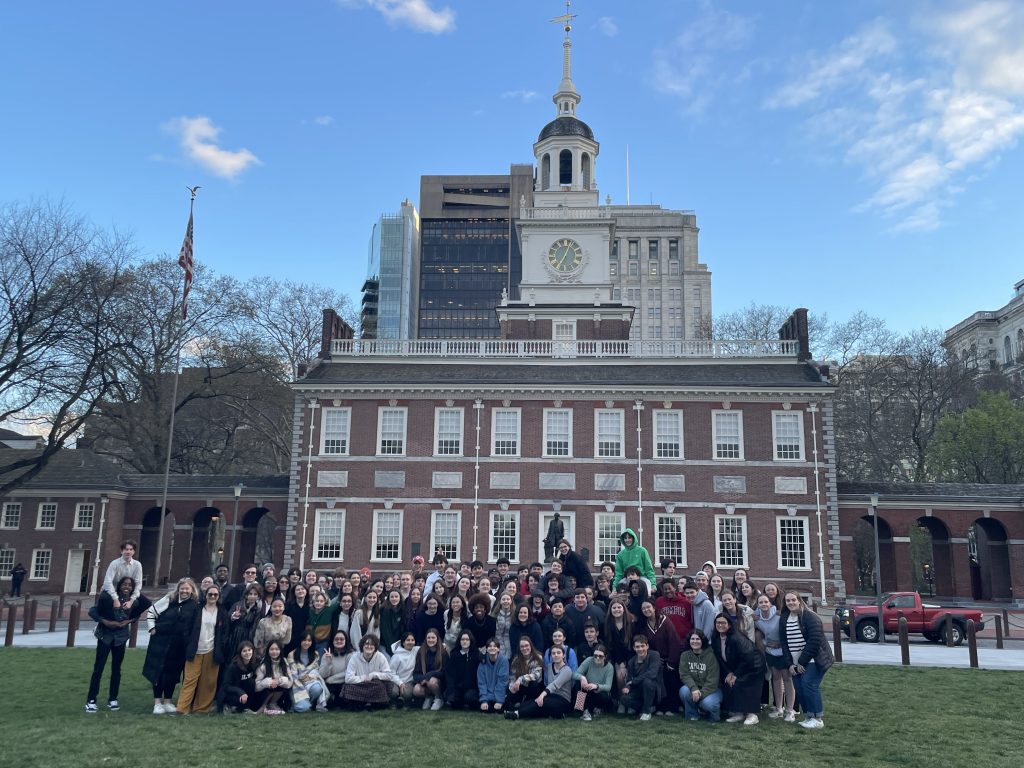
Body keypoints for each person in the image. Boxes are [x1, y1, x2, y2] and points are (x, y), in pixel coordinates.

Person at [85, 576, 152, 712]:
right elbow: (93, 611)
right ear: (119, 585)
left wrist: (130, 620)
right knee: (99, 668)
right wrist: (105, 621)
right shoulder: (108, 597)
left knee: (117, 669)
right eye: (124, 584)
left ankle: (113, 698)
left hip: (120, 638)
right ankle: (91, 700)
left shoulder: (134, 601)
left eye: (129, 585)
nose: (126, 587)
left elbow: (145, 605)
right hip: (105, 636)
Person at [143, 577, 199, 715]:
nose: (184, 591)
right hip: (161, 642)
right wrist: (152, 628)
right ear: (178, 589)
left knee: (173, 673)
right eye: (182, 588)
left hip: (179, 646)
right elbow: (151, 612)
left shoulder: (194, 606)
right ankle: (157, 702)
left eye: (187, 588)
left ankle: (168, 701)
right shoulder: (169, 599)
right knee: (159, 671)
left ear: (192, 590)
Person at [781, 590, 834, 729]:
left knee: (809, 684)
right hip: (794, 662)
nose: (791, 603)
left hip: (813, 660)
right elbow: (784, 643)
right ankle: (808, 716)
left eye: (793, 600)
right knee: (799, 687)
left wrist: (801, 662)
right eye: (788, 601)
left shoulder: (810, 616)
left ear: (799, 600)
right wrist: (790, 664)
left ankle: (817, 718)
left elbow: (814, 641)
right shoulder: (785, 617)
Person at [177, 582, 229, 714]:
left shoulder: (222, 612)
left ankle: (201, 708)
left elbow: (225, 632)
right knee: (190, 680)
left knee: (209, 681)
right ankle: (182, 708)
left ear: (219, 596)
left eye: (215, 594)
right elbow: (187, 629)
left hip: (212, 650)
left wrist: (221, 647)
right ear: (205, 595)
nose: (212, 596)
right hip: (195, 650)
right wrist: (188, 643)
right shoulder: (197, 609)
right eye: (210, 594)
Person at [712, 613, 765, 726]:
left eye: (723, 623)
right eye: (718, 623)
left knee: (747, 687)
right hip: (737, 666)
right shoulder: (715, 638)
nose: (720, 625)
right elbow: (720, 658)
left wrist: (735, 674)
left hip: (754, 666)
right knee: (733, 684)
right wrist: (729, 673)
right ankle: (739, 713)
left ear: (729, 625)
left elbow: (748, 657)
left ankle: (752, 715)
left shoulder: (736, 638)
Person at [634, 597, 681, 714]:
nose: (646, 610)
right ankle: (660, 707)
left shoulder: (665, 621)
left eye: (648, 607)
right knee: (659, 685)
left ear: (654, 608)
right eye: (643, 608)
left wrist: (671, 661)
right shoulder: (644, 625)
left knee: (670, 684)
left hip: (668, 660)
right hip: (655, 661)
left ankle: (671, 708)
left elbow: (674, 641)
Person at [753, 593, 796, 721]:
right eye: (761, 603)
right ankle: (779, 708)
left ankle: (790, 710)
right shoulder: (757, 618)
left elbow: (787, 632)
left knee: (787, 678)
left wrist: (780, 643)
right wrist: (765, 644)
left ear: (770, 603)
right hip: (770, 651)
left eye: (766, 602)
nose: (763, 604)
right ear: (758, 605)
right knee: (776, 679)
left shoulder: (779, 615)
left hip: (783, 651)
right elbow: (759, 634)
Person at [508, 645, 573, 720]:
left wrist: (541, 696)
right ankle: (555, 714)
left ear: (563, 655)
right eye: (553, 653)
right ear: (551, 655)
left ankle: (516, 714)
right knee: (531, 703)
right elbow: (545, 682)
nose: (556, 655)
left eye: (558, 653)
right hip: (550, 696)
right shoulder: (548, 667)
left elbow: (554, 685)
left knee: (540, 703)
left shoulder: (567, 670)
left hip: (563, 699)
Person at [344, 634, 399, 709]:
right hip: (360, 684)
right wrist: (363, 678)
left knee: (381, 686)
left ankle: (375, 704)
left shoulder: (381, 657)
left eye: (372, 644)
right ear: (362, 645)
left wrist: (374, 675)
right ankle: (362, 704)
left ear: (375, 646)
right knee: (348, 687)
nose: (369, 646)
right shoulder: (354, 657)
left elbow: (389, 675)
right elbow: (348, 678)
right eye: (367, 644)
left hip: (375, 684)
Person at [677, 629, 721, 722]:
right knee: (684, 691)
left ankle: (714, 717)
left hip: (712, 690)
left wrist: (700, 695)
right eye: (692, 639)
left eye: (698, 639)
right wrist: (694, 688)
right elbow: (684, 674)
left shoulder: (711, 656)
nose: (695, 641)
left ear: (702, 640)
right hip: (695, 689)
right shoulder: (685, 655)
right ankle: (692, 715)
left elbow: (713, 680)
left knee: (708, 703)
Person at [621, 634, 664, 721]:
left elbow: (652, 674)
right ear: (634, 648)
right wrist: (627, 687)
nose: (640, 649)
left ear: (647, 646)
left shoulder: (654, 655)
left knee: (647, 681)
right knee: (624, 699)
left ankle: (646, 712)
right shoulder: (631, 661)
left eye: (642, 646)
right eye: (637, 647)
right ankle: (647, 708)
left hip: (653, 689)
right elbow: (629, 679)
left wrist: (633, 682)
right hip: (638, 690)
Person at [288, 631, 327, 712]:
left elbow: (316, 671)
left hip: (310, 681)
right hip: (297, 684)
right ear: (300, 641)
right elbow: (293, 674)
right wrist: (302, 679)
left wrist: (309, 676)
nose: (306, 643)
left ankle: (309, 703)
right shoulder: (292, 654)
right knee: (302, 708)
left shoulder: (315, 654)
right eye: (304, 640)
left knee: (318, 688)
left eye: (309, 641)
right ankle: (299, 703)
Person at [573, 643, 613, 721]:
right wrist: (582, 677)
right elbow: (575, 674)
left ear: (605, 657)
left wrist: (596, 686)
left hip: (598, 692)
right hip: (587, 689)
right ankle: (585, 710)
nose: (597, 658)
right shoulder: (589, 660)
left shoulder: (609, 667)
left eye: (600, 656)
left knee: (605, 696)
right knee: (579, 684)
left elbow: (608, 687)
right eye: (595, 655)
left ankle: (594, 708)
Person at [218, 641, 259, 713]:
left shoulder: (254, 663)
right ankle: (228, 706)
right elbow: (226, 686)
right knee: (239, 700)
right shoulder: (233, 667)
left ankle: (242, 708)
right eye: (244, 651)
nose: (247, 653)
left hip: (246, 692)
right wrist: (240, 692)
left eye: (249, 650)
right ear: (240, 653)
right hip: (232, 693)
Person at [412, 627, 448, 710]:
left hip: (438, 683)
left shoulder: (443, 652)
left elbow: (444, 672)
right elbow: (416, 673)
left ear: (437, 639)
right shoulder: (421, 651)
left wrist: (429, 675)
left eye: (433, 638)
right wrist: (422, 679)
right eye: (428, 638)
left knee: (431, 681)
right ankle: (429, 698)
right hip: (425, 681)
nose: (430, 640)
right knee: (416, 690)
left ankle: (439, 698)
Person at [505, 637, 544, 713]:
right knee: (506, 704)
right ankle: (518, 704)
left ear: (531, 646)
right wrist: (512, 687)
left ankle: (525, 704)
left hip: (533, 687)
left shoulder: (538, 657)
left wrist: (520, 679)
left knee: (534, 685)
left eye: (527, 645)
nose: (524, 648)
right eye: (522, 647)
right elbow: (512, 676)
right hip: (520, 687)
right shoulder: (516, 659)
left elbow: (536, 675)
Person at [101, 540, 144, 609]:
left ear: (134, 552)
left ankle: (131, 619)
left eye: (131, 549)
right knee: (104, 599)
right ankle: (105, 618)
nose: (128, 552)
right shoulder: (114, 563)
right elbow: (107, 582)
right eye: (126, 549)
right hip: (113, 590)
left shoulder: (137, 565)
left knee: (145, 602)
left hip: (128, 591)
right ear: (121, 551)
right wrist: (115, 599)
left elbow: (138, 583)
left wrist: (131, 601)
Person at [445, 630, 480, 710]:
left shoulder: (476, 654)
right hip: (458, 687)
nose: (465, 642)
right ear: (459, 641)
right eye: (462, 639)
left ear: (470, 641)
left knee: (469, 697)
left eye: (467, 639)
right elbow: (450, 675)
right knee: (454, 700)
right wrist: (451, 690)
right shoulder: (454, 655)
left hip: (472, 688)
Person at [318, 630, 354, 708]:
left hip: (344, 684)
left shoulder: (350, 655)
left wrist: (332, 679)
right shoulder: (326, 655)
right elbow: (321, 675)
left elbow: (348, 673)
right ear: (333, 641)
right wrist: (328, 663)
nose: (339, 641)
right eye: (336, 639)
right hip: (330, 686)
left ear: (346, 641)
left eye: (341, 639)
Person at [255, 640, 292, 714]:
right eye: (272, 649)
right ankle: (263, 706)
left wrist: (279, 681)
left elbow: (290, 682)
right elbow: (256, 687)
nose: (274, 652)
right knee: (271, 687)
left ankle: (272, 704)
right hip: (263, 694)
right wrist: (268, 682)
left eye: (277, 649)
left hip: (278, 693)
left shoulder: (284, 662)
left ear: (280, 650)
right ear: (268, 651)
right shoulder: (263, 665)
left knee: (282, 685)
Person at [477, 638, 509, 713]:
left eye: (495, 646)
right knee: (470, 698)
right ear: (487, 649)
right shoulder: (482, 662)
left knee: (499, 709)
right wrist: (484, 700)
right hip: (487, 694)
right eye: (490, 646)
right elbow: (482, 683)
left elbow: (502, 682)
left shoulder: (504, 660)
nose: (492, 648)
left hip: (500, 694)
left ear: (498, 649)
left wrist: (499, 701)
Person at [388, 632, 418, 705]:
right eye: (408, 640)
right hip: (396, 681)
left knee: (407, 694)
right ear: (403, 642)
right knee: (393, 692)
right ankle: (393, 701)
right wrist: (400, 683)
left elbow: (427, 646)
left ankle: (403, 700)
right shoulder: (396, 656)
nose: (410, 642)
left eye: (412, 640)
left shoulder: (416, 650)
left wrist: (443, 645)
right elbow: (391, 673)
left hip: (409, 682)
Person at [490, 592, 515, 658]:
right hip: (497, 645)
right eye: (503, 599)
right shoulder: (495, 615)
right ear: (500, 601)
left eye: (508, 599)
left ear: (511, 601)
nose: (506, 601)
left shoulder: (515, 614)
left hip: (511, 645)